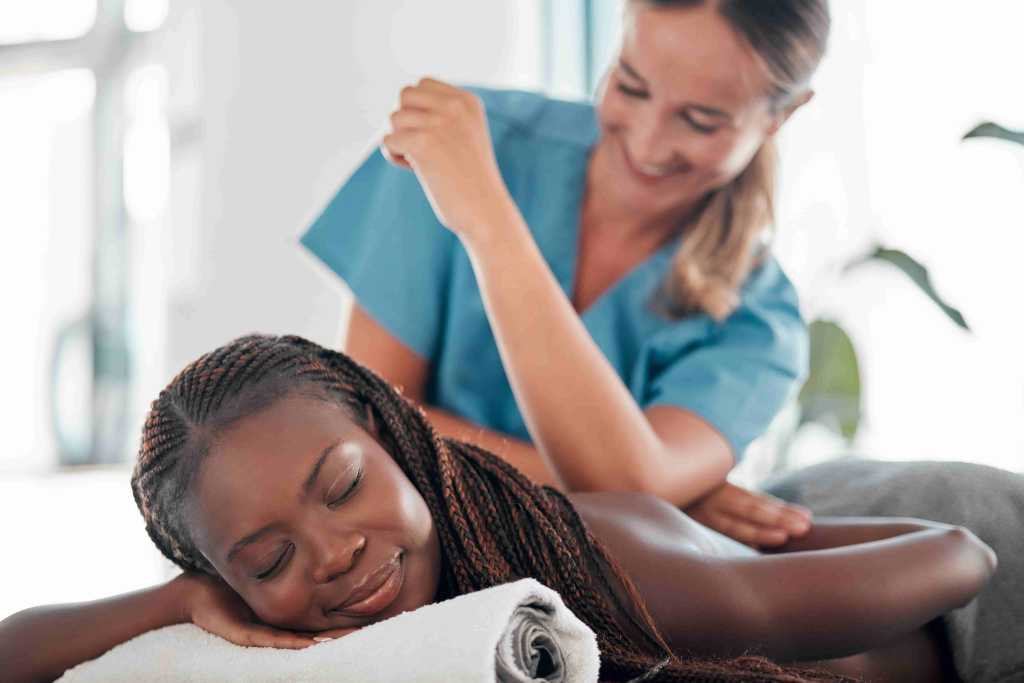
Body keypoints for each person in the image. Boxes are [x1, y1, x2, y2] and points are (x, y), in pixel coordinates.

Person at [0, 335, 1001, 682]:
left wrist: (794, 533)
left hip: (953, 551)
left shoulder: (606, 573)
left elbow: (961, 551)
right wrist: (181, 601)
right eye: (267, 558)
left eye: (344, 486)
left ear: (398, 434)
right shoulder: (414, 625)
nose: (336, 551)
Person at [301, 0, 830, 548]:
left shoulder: (762, 324)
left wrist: (488, 221)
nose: (647, 144)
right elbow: (365, 420)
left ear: (781, 115)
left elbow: (622, 490)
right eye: (630, 86)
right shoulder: (464, 143)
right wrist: (667, 500)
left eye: (700, 120)